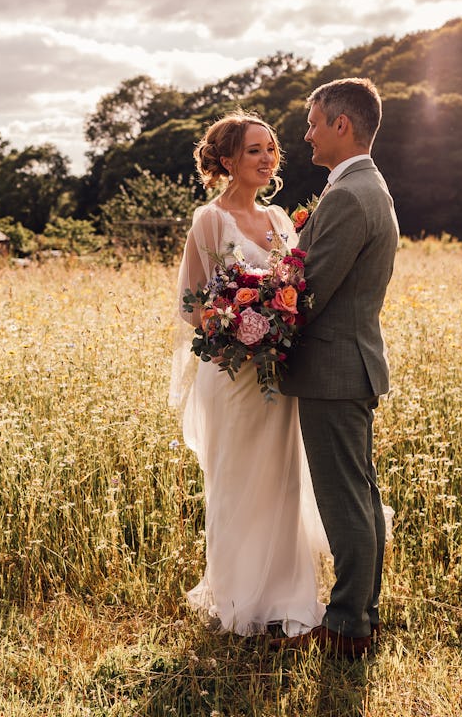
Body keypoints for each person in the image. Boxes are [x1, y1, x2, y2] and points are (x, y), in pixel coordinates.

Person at [171, 110, 331, 638]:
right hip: (233, 374)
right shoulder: (210, 221)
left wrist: (278, 324)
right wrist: (235, 327)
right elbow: (192, 303)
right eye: (254, 151)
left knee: (281, 482)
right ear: (227, 161)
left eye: (271, 149)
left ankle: (286, 596)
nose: (267, 159)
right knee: (236, 481)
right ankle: (238, 599)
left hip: (279, 373)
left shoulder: (284, 220)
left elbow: (298, 290)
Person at [277, 78, 399, 658]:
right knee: (360, 493)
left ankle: (349, 624)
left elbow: (310, 291)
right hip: (348, 363)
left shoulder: (349, 196)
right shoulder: (365, 187)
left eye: (313, 122)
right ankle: (362, 613)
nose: (307, 134)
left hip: (334, 367)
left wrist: (257, 319)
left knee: (344, 498)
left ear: (341, 125)